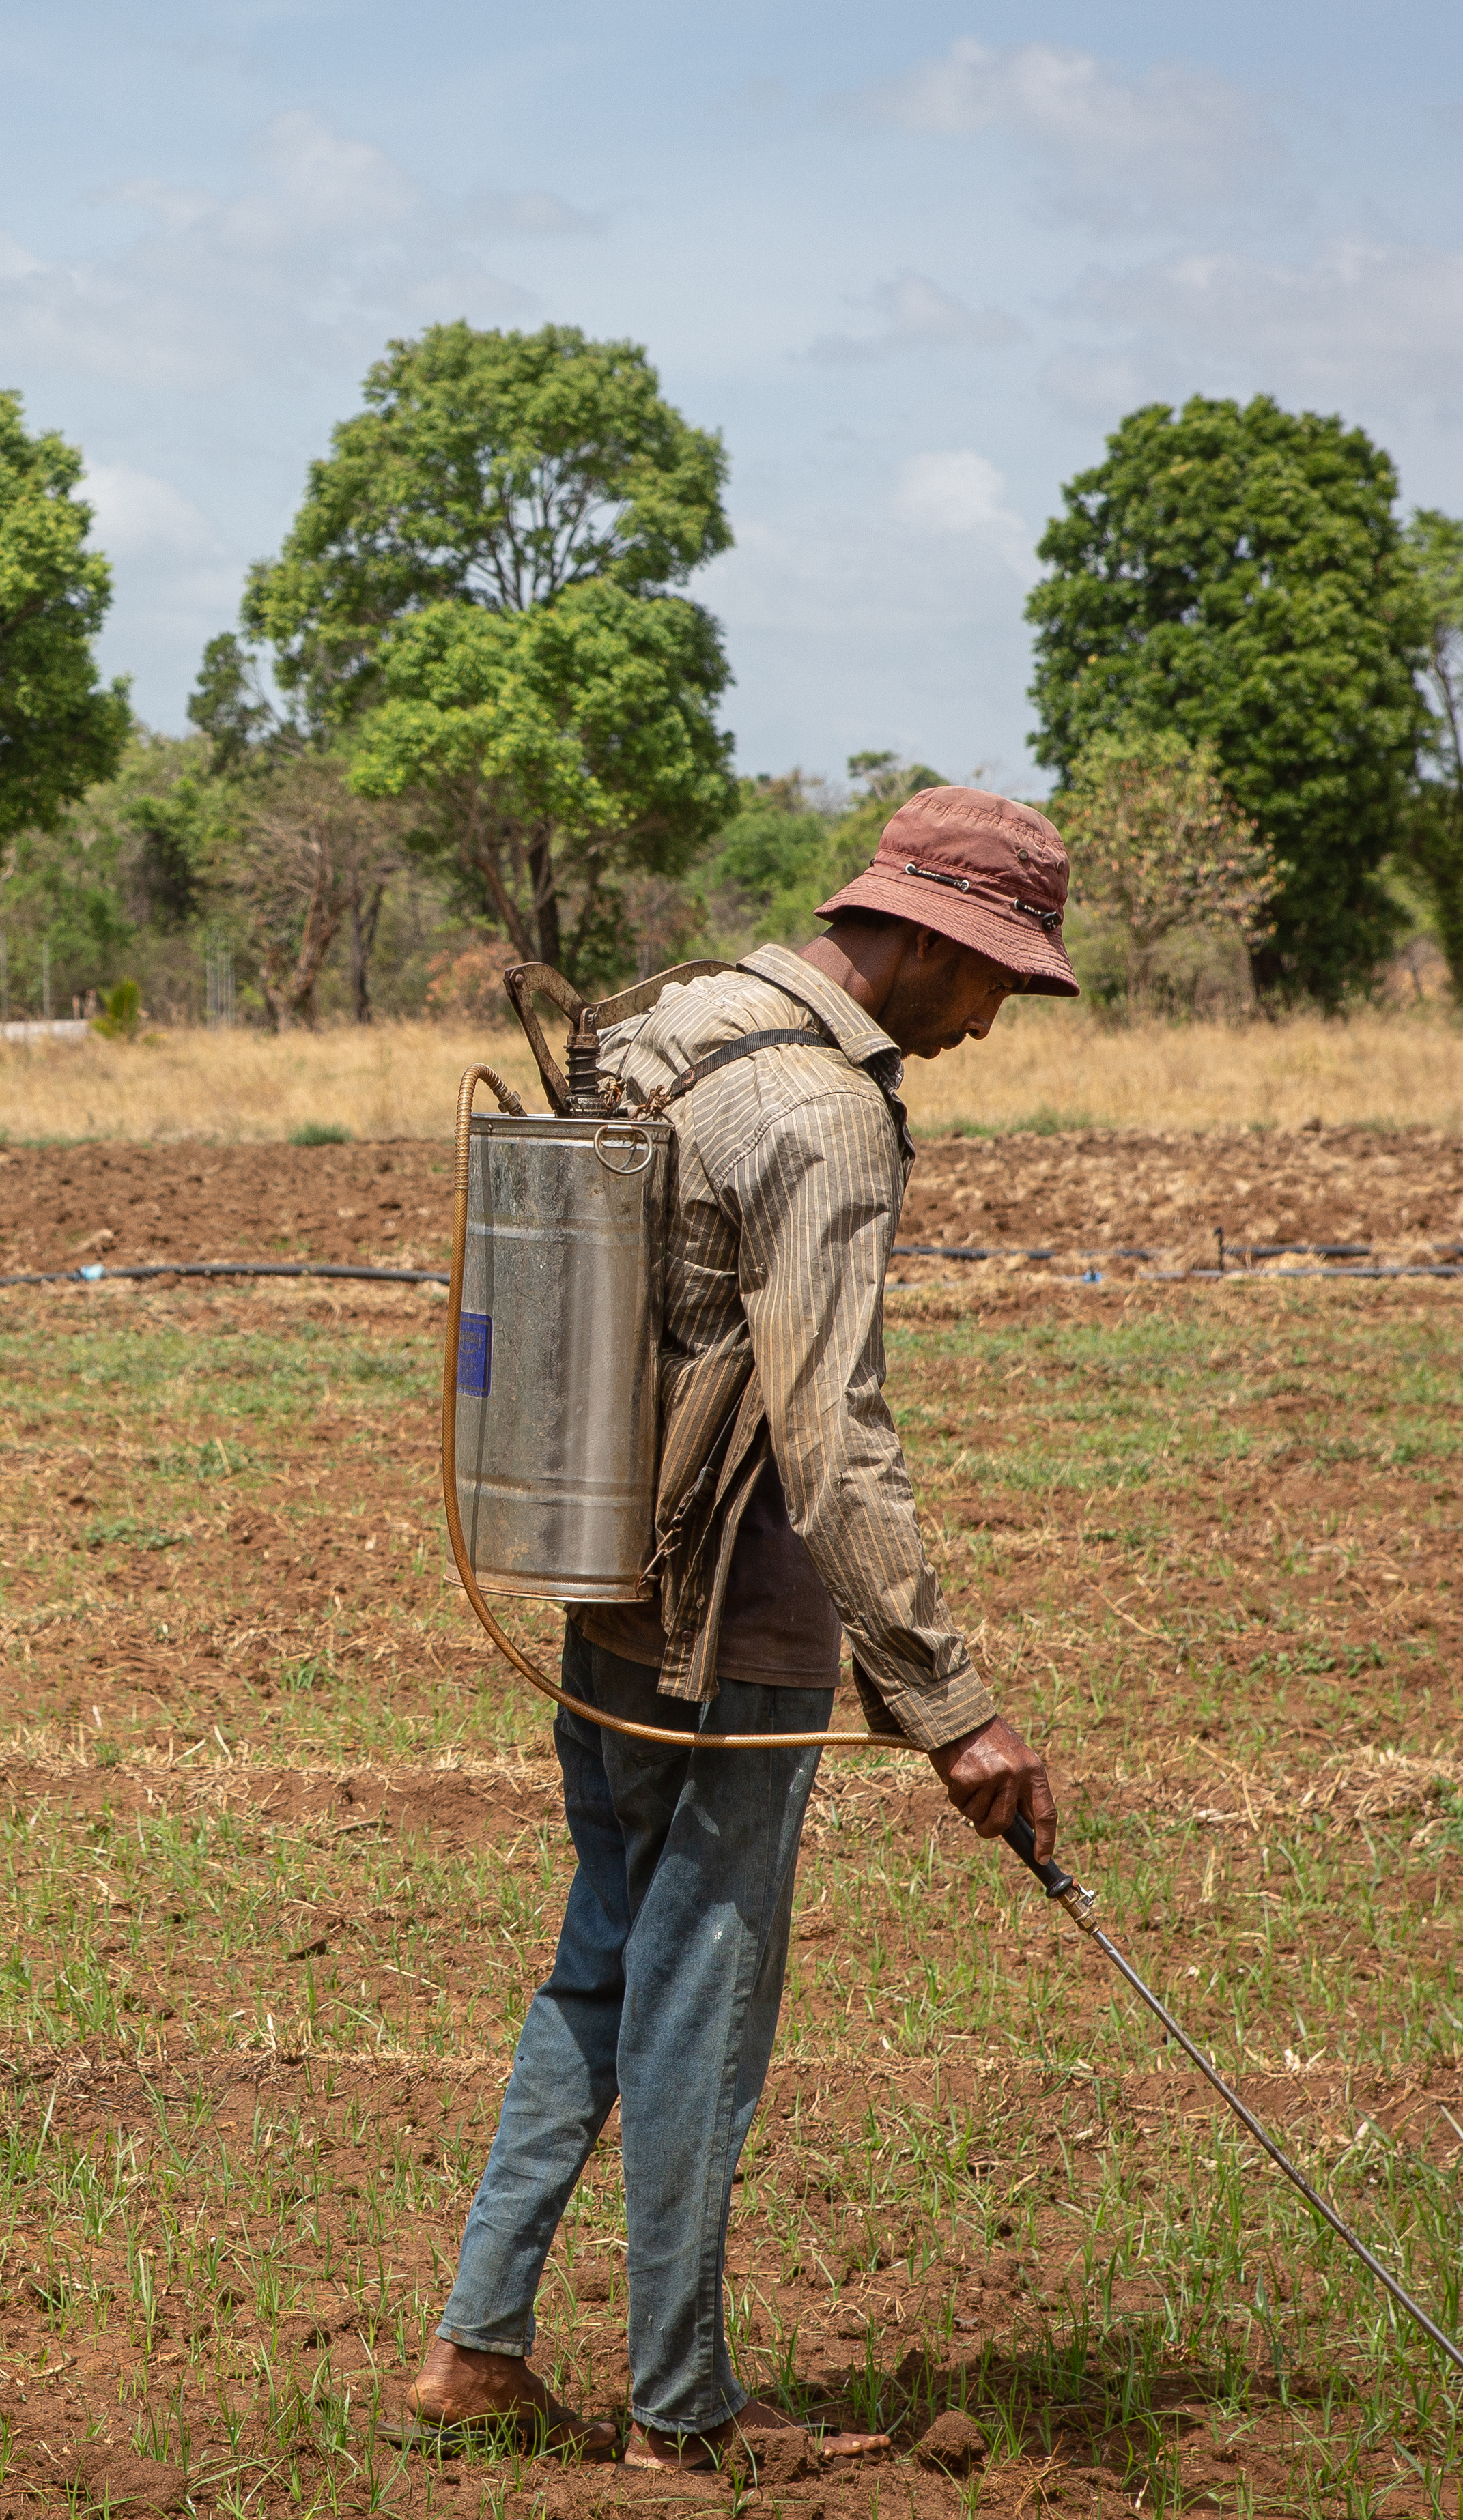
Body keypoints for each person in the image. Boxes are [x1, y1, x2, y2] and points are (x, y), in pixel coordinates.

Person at [398, 786, 1073, 2475]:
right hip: (734, 1627)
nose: (993, 1020)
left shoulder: (679, 1017)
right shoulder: (823, 1110)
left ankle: (480, 2345)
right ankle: (682, 2408)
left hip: (602, 1572)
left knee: (604, 1954)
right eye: (995, 977)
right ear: (923, 939)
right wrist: (952, 1704)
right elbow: (834, 1435)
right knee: (704, 1993)